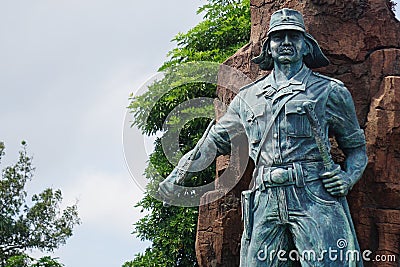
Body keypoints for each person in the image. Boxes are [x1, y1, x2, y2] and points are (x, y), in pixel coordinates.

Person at [159, 8, 368, 267]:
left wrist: (347, 178)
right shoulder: (247, 98)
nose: (287, 43)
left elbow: (357, 149)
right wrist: (176, 177)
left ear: (306, 47)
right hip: (264, 196)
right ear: (268, 48)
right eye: (279, 37)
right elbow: (212, 143)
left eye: (294, 36)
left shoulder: (329, 91)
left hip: (314, 194)